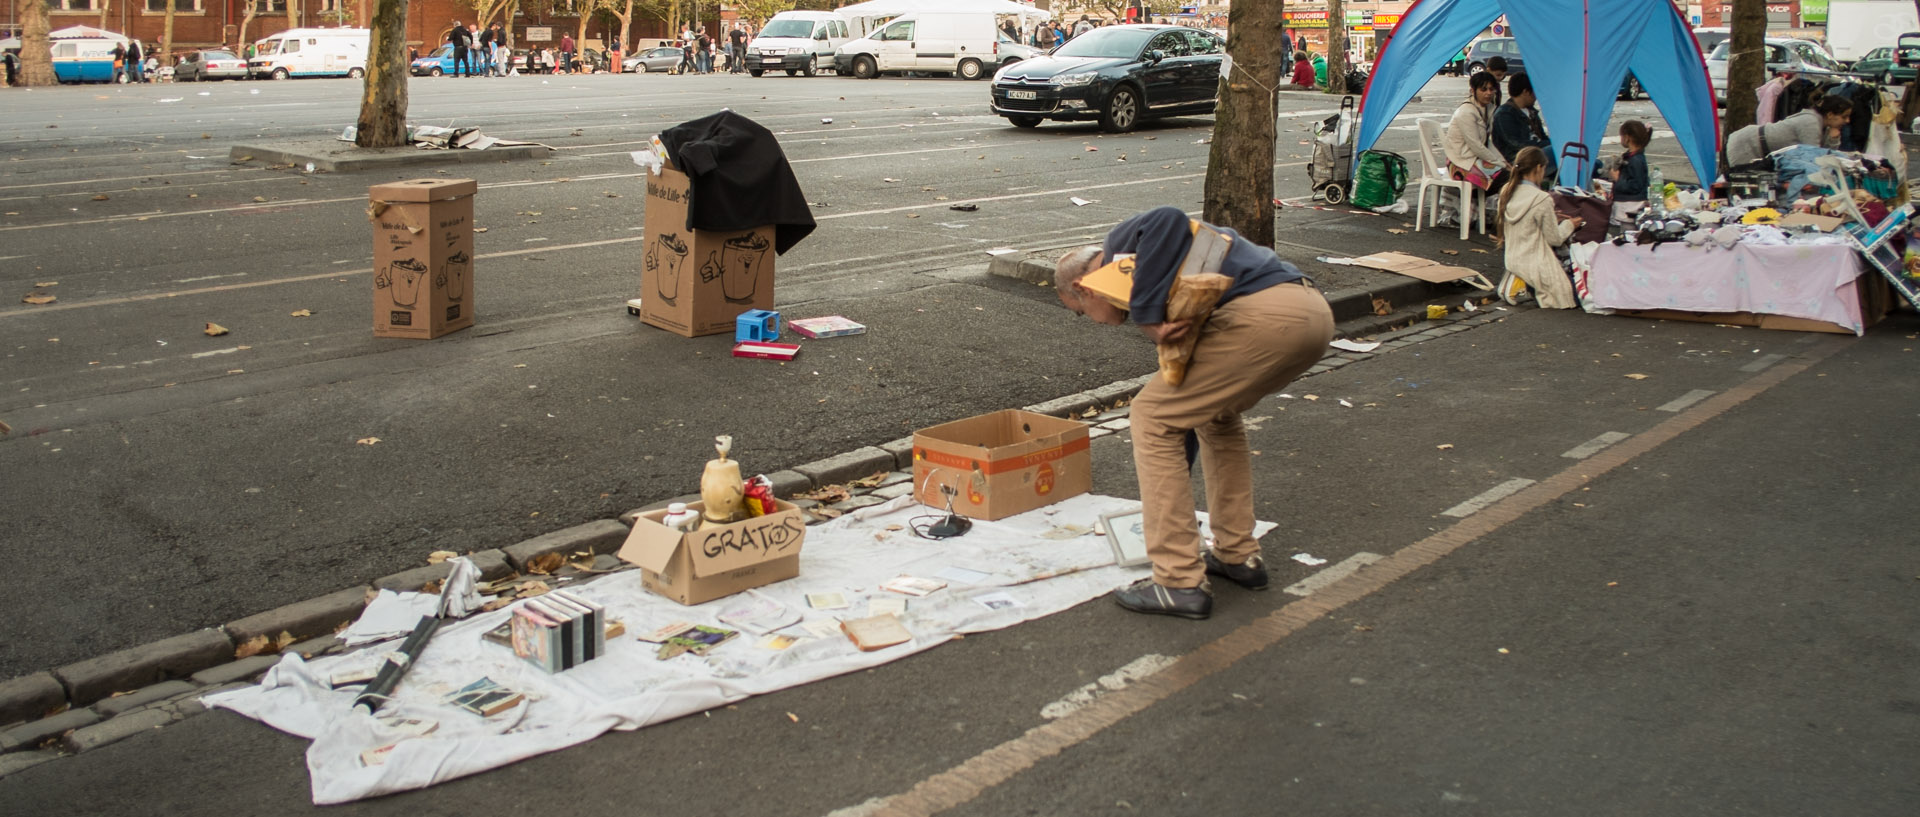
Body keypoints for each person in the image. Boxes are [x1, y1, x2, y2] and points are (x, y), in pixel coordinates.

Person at [1054, 207, 1334, 620]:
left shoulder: (1119, 250)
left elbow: (1166, 217)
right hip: (1310, 314)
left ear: (1084, 288)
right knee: (1215, 417)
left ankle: (1178, 581)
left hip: (1263, 317)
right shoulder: (1147, 269)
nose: (1094, 322)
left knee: (1151, 416)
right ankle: (1238, 555)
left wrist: (1148, 318)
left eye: (1081, 313)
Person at [1497, 146, 1583, 309]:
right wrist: (1569, 225)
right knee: (1572, 297)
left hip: (1512, 258)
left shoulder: (1506, 190)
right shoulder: (1542, 198)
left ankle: (1520, 282)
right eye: (1544, 169)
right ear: (1538, 168)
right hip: (1536, 263)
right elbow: (1555, 239)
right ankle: (1526, 285)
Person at [1724, 95, 1853, 166]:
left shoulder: (1822, 125)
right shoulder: (1810, 122)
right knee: (1742, 181)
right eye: (1844, 116)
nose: (1847, 121)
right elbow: (1813, 157)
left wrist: (1833, 138)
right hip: (1747, 143)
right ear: (1830, 114)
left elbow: (1825, 154)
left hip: (1759, 144)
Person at [1445, 70, 1510, 201]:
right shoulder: (1466, 112)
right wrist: (1499, 164)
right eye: (1483, 89)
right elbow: (1476, 146)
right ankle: (1470, 200)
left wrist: (1502, 161)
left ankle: (1475, 203)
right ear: (1473, 90)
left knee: (1511, 173)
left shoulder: (1488, 109)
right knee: (1506, 177)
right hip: (1461, 163)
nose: (1488, 93)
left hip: (1475, 159)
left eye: (1491, 89)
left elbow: (1488, 142)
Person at [1491, 72, 1556, 180]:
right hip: (1519, 159)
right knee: (1559, 151)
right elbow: (1517, 144)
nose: (1536, 96)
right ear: (1526, 92)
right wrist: (1549, 145)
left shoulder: (1531, 112)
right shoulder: (1505, 114)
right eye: (1535, 92)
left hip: (1537, 153)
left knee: (1569, 152)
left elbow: (1542, 136)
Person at [1606, 119, 1651, 220]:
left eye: (1621, 136)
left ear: (1627, 137)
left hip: (1630, 205)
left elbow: (1635, 185)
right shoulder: (1633, 157)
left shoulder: (1636, 160)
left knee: (1627, 231)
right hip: (1628, 204)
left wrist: (1618, 178)